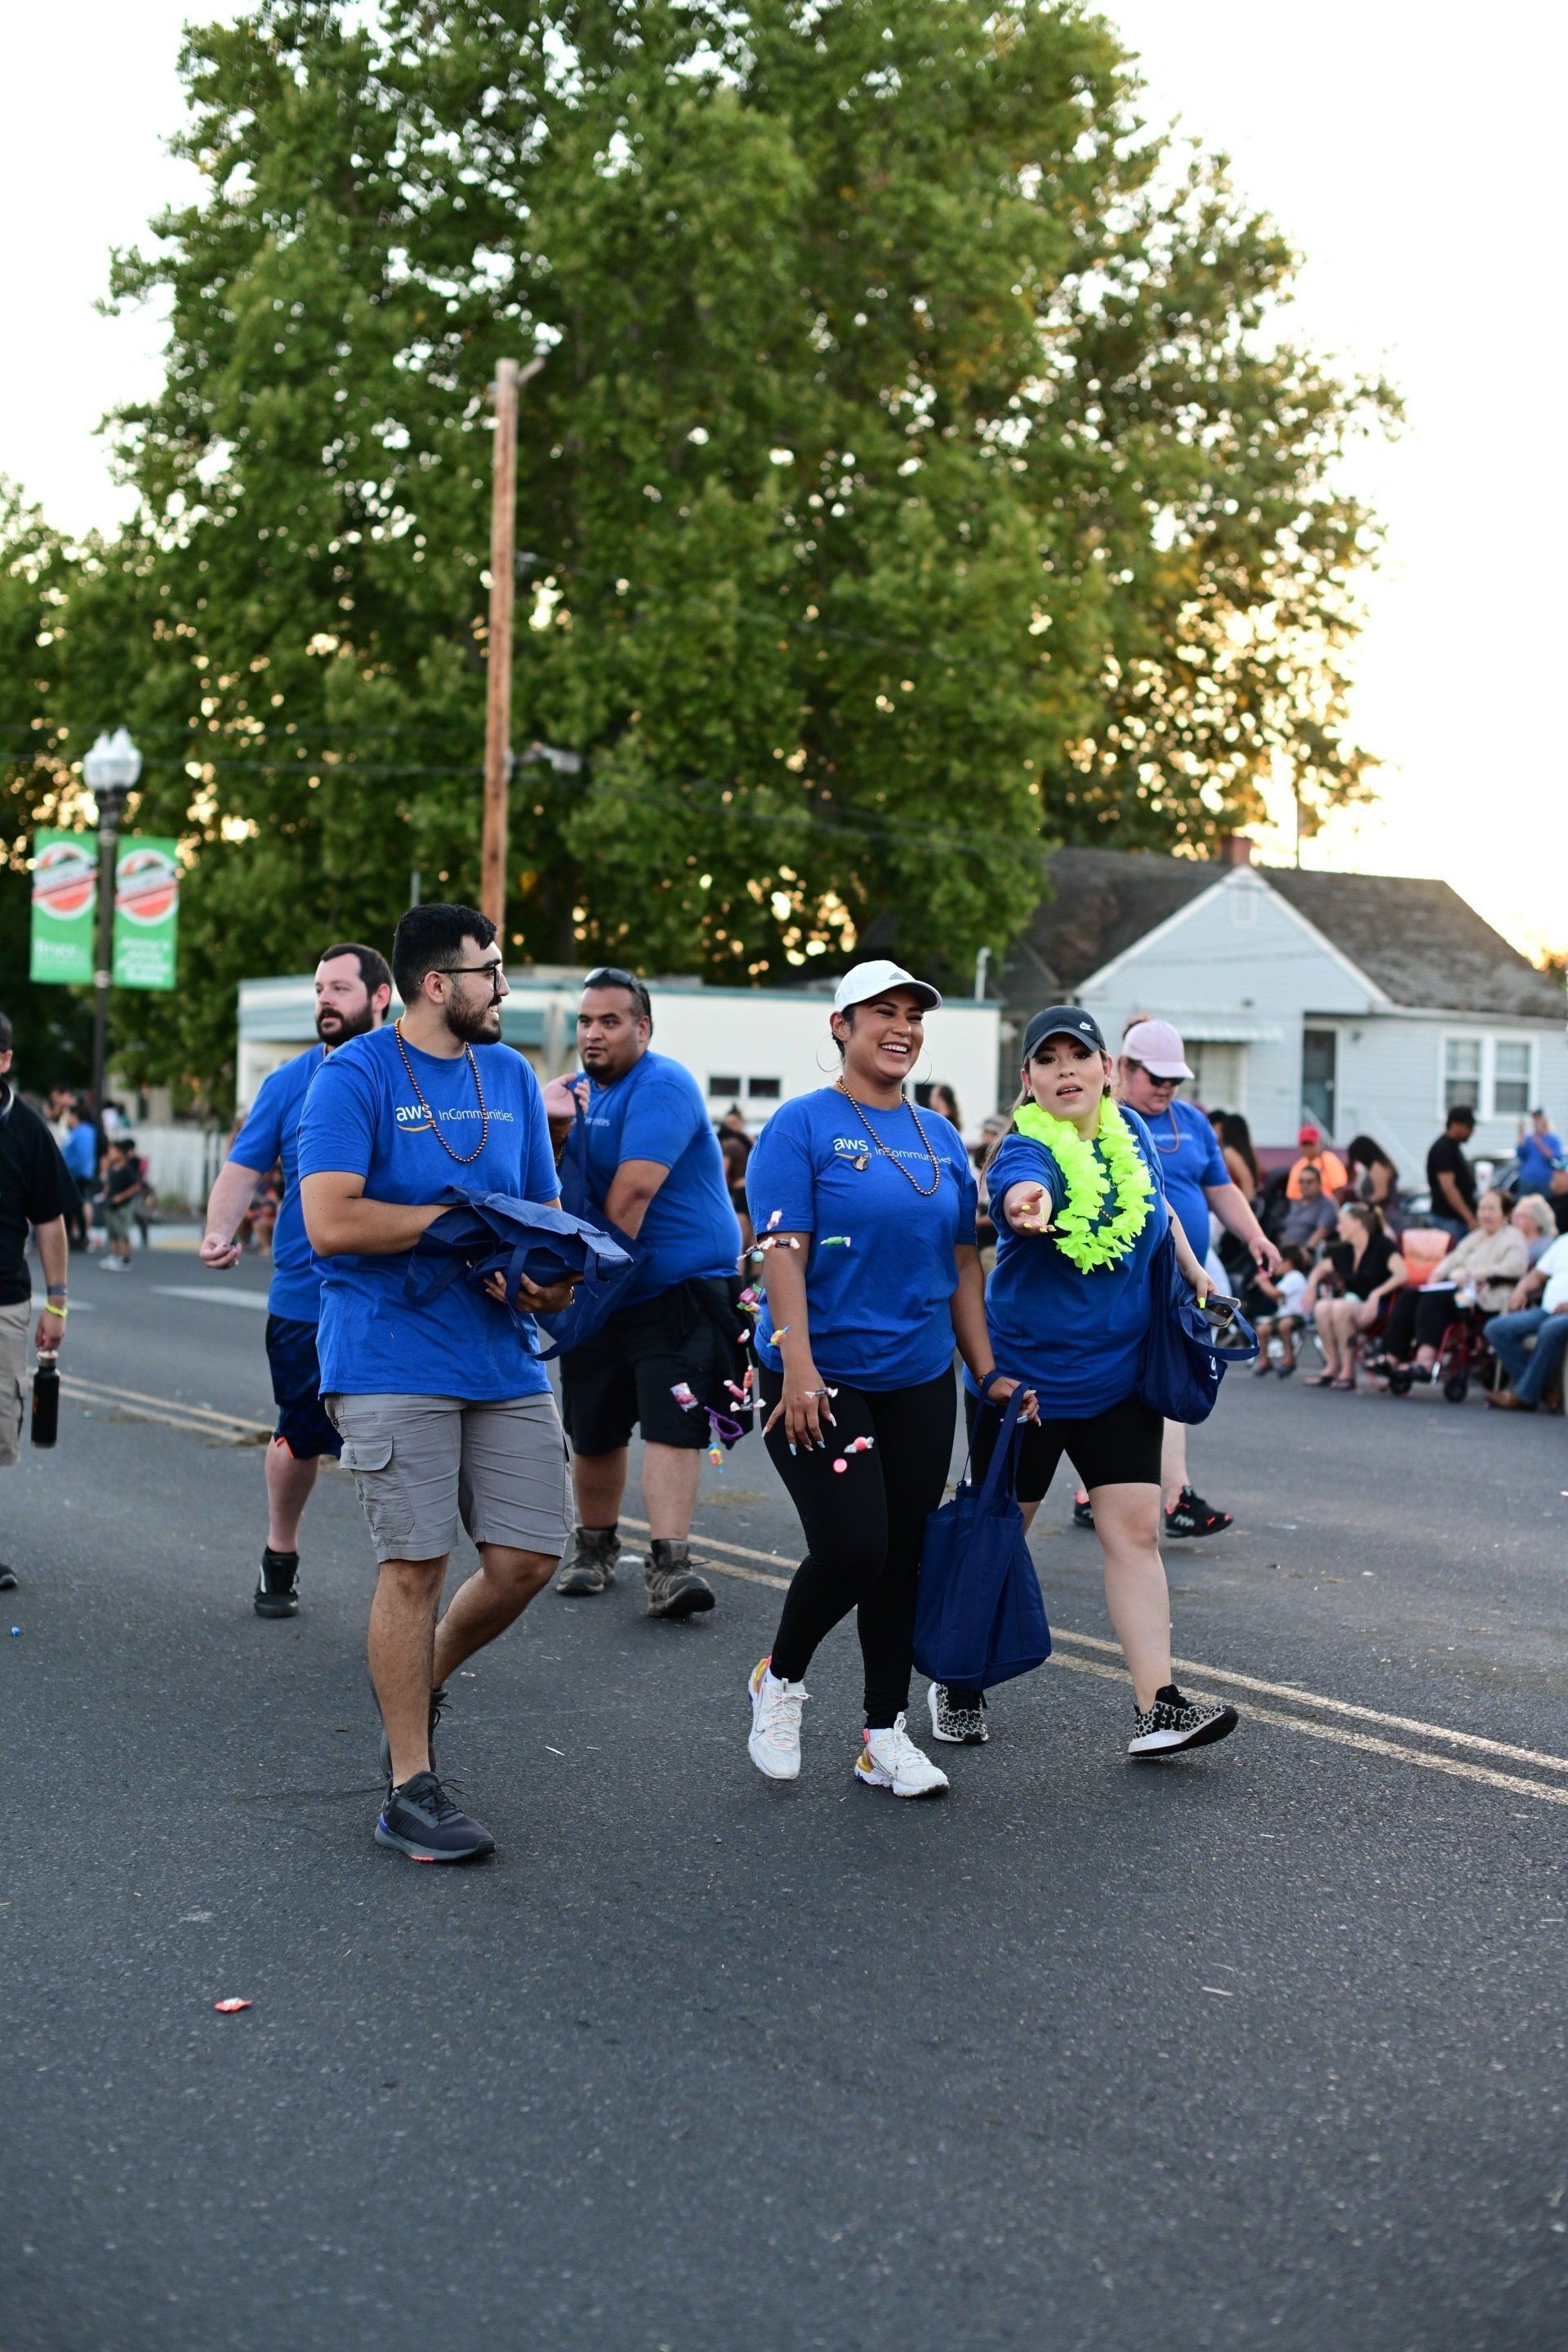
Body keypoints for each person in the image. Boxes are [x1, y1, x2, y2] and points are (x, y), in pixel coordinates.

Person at [299, 904, 577, 1864]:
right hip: (388, 1351)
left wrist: (541, 1270)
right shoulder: (355, 1076)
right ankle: (409, 1788)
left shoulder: (509, 1075)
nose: (503, 988)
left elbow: (536, 1213)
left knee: (530, 1558)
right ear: (435, 985)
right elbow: (331, 1222)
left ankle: (419, 1683)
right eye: (489, 972)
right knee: (415, 1565)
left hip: (499, 1352)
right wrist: (456, 1227)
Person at [743, 961, 1032, 1792]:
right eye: (883, 1013)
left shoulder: (940, 1138)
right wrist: (797, 1365)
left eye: (913, 1015)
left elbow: (962, 1263)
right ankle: (781, 1679)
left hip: (915, 1377)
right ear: (842, 1024)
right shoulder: (800, 1126)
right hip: (819, 1374)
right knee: (854, 1547)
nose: (901, 1027)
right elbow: (782, 1251)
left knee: (904, 1557)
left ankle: (884, 1734)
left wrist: (988, 1372)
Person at [943, 1005, 1237, 1759]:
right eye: (1050, 1060)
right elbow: (1017, 1194)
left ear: (1108, 1069)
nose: (1067, 1070)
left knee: (1135, 1533)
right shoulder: (1020, 1153)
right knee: (1001, 1536)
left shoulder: (1131, 1132)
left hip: (1120, 1375)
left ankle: (1158, 1707)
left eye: (1081, 1056)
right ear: (1029, 1080)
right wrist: (1025, 1207)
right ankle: (958, 1678)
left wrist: (1195, 1269)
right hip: (1029, 1387)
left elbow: (1159, 1204)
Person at [200, 943, 393, 1616]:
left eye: (338, 988)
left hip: (396, 1299)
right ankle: (279, 1554)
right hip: (305, 1300)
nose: (323, 1002)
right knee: (300, 1435)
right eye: (318, 990)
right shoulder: (289, 1081)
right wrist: (219, 1231)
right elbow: (242, 1167)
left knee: (391, 1444)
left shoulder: (413, 1075)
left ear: (380, 996)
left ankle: (400, 1585)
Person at [547, 969, 742, 1619]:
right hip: (608, 1285)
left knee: (671, 1425)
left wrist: (567, 1280)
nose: (594, 1034)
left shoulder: (662, 1084)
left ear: (643, 1027)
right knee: (594, 1427)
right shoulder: (580, 1096)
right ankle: (595, 1548)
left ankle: (670, 1565)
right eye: (585, 1021)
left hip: (674, 1287)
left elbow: (629, 1199)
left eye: (610, 1021)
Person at [1109, 1017, 1281, 1539]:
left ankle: (1163, 1495)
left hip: (1182, 1287)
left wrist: (1254, 1236)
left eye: (1173, 1080)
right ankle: (1134, 1492)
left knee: (1170, 1381)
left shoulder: (1193, 1124)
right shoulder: (1104, 1120)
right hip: (1124, 1283)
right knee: (1132, 1387)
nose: (1166, 1088)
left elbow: (1221, 1189)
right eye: (1155, 1078)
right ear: (1123, 1068)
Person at [0, 1011, 77, 1592]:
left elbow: (49, 1221)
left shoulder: (25, 1129)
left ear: (3, 1061)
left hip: (5, 1300)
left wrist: (58, 1304)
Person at [1378, 1190, 1526, 1378]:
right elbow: (1453, 1258)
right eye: (1482, 1209)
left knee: (1434, 1299)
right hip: (1458, 1288)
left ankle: (1425, 1360)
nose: (1485, 1214)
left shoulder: (1513, 1238)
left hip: (1482, 1297)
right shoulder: (1477, 1236)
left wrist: (1471, 1275)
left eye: (1491, 1209)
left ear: (1505, 1214)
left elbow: (1514, 1268)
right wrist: (1438, 1274)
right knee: (1410, 1295)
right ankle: (1391, 1357)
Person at [1301, 1205, 1406, 1389]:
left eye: (1342, 1223)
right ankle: (1333, 1365)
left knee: (1339, 1307)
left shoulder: (1381, 1245)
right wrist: (1311, 1286)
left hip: (1380, 1307)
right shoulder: (1347, 1251)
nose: (1338, 1228)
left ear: (1358, 1224)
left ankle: (1348, 1371)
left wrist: (1376, 1293)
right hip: (1352, 1305)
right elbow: (1321, 1268)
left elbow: (1402, 1274)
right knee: (1322, 1307)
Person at [1483, 1230, 1568, 1413]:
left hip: (1562, 1316)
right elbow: (1537, 1275)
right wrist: (1521, 1289)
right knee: (1496, 1328)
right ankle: (1540, 1390)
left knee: (1550, 1329)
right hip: (1547, 1310)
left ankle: (1525, 1396)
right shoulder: (1563, 1241)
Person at [1248, 1245, 1312, 1376]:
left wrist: (1263, 1282)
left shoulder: (1295, 1277)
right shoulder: (1287, 1278)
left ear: (1288, 1262)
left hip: (1297, 1316)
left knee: (1285, 1325)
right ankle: (1265, 1361)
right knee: (1262, 1329)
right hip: (1283, 1315)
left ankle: (1289, 1359)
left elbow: (1275, 1294)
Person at [1427, 1107, 1477, 1240]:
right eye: (1469, 1127)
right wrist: (1469, 1218)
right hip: (1448, 1220)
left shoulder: (1453, 1147)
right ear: (1455, 1125)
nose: (1472, 1132)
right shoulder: (1443, 1149)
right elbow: (1448, 1188)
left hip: (1454, 1221)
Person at [98, 1137, 142, 1272]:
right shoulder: (112, 1170)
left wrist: (121, 1197)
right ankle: (115, 1256)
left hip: (122, 1207)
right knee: (113, 1233)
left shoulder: (127, 1170)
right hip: (110, 1205)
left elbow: (135, 1187)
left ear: (121, 1153)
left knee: (122, 1232)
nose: (110, 1154)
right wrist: (104, 1194)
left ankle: (125, 1258)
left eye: (113, 1152)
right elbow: (109, 1185)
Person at [58, 1103, 96, 1250]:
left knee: (75, 1206)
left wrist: (66, 1167)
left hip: (78, 1174)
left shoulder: (84, 1132)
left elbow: (81, 1156)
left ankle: (81, 1237)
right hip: (74, 1174)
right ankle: (70, 1236)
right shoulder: (77, 1131)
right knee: (71, 1206)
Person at [1276, 1161, 1339, 1251]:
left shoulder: (1327, 1205)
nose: (1305, 1186)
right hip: (1283, 1251)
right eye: (1301, 1182)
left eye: (1309, 1182)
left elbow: (1320, 1233)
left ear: (1319, 1184)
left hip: (1304, 1256)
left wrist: (1302, 1253)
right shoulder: (1293, 1204)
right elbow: (1282, 1230)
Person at [1286, 1125, 1350, 1200]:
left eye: (1310, 1144)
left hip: (1326, 1206)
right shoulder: (1297, 1167)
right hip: (1305, 1207)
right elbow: (1292, 1196)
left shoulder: (1329, 1160)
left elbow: (1339, 1187)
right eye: (1305, 1144)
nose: (1308, 1147)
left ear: (1317, 1143)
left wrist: (1333, 1208)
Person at [1516, 1108, 1565, 1200]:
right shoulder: (1528, 1138)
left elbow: (1555, 1158)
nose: (1536, 1121)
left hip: (1545, 1182)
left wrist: (1539, 1141)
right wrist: (1521, 1134)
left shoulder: (1554, 1139)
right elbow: (1520, 1154)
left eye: (1539, 1118)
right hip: (1527, 1181)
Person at [1343, 1134, 1400, 1214]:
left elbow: (1381, 1193)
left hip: (1386, 1214)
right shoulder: (1376, 1166)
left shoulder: (1378, 1167)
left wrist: (1362, 1205)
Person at [1512, 1193, 1559, 1267]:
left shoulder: (1546, 1245)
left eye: (1522, 1216)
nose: (1515, 1220)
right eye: (1515, 1215)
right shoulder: (1513, 1240)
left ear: (1537, 1220)